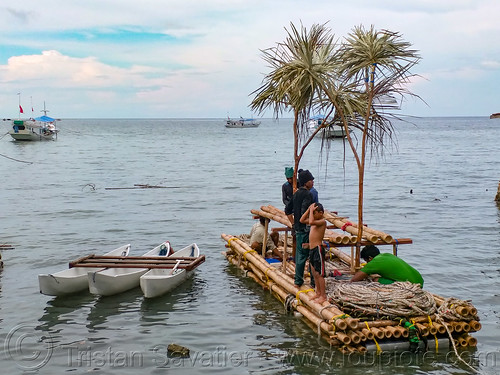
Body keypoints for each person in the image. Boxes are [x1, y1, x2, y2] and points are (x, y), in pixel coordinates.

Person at [285, 169, 314, 287]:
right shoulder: (308, 194)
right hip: (306, 229)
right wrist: (311, 222)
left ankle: (298, 281)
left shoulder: (296, 193)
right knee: (312, 255)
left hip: (298, 229)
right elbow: (304, 212)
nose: (312, 182)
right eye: (310, 180)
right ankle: (313, 281)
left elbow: (287, 210)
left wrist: (293, 223)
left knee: (300, 256)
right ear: (305, 182)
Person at [350, 245, 424, 287]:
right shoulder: (387, 255)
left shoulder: (374, 262)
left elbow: (355, 279)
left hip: (410, 286)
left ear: (370, 258)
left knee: (376, 280)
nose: (367, 263)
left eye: (366, 261)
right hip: (419, 281)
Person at [300, 202, 327, 303]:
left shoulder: (322, 221)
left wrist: (311, 211)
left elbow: (310, 222)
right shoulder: (314, 221)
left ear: (321, 213)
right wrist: (309, 209)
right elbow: (302, 220)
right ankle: (318, 293)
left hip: (318, 249)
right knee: (314, 273)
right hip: (312, 249)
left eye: (315, 213)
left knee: (319, 274)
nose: (313, 215)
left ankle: (323, 296)